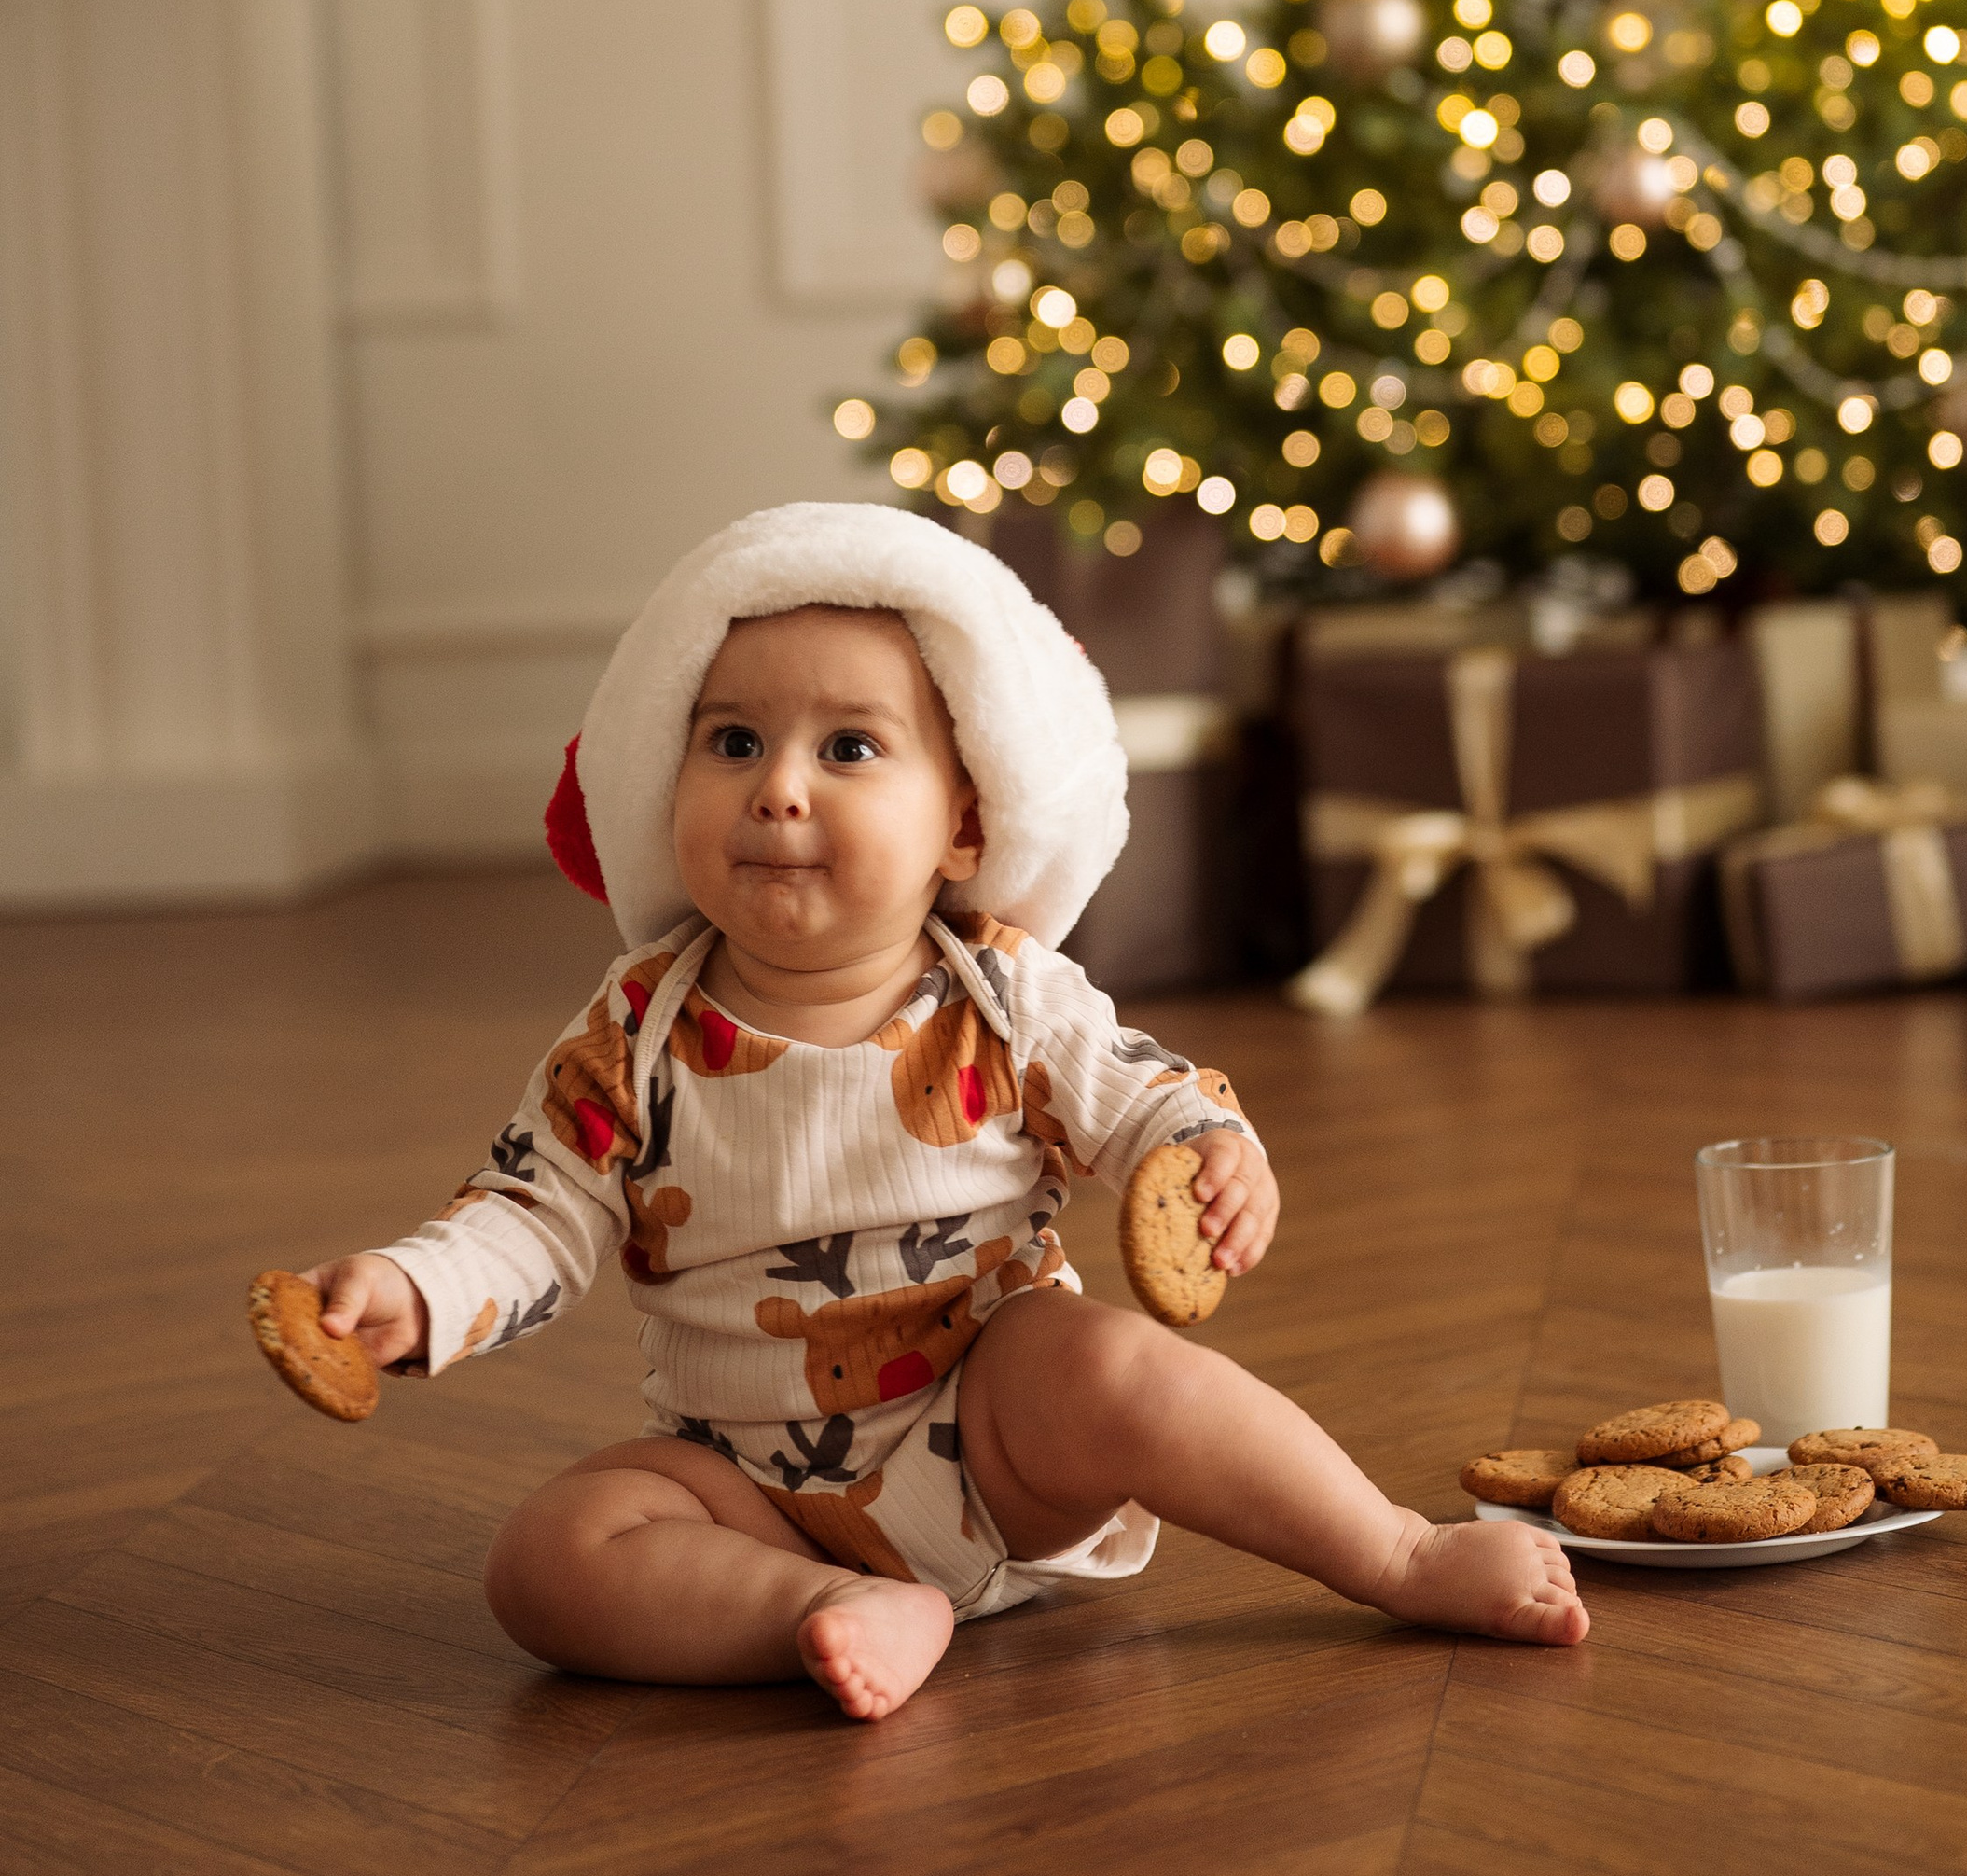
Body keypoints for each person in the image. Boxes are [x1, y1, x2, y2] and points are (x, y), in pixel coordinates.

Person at [308, 504, 1587, 1718]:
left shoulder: (1005, 995)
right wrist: (416, 1293)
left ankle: (1398, 1554)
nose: (780, 789)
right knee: (548, 1557)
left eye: (849, 747)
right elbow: (535, 1214)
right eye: (733, 742)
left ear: (964, 827)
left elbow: (1143, 1102)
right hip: (745, 1485)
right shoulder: (632, 1033)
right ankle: (826, 1607)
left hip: (997, 1441)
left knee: (1107, 1365)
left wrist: (1209, 1152)